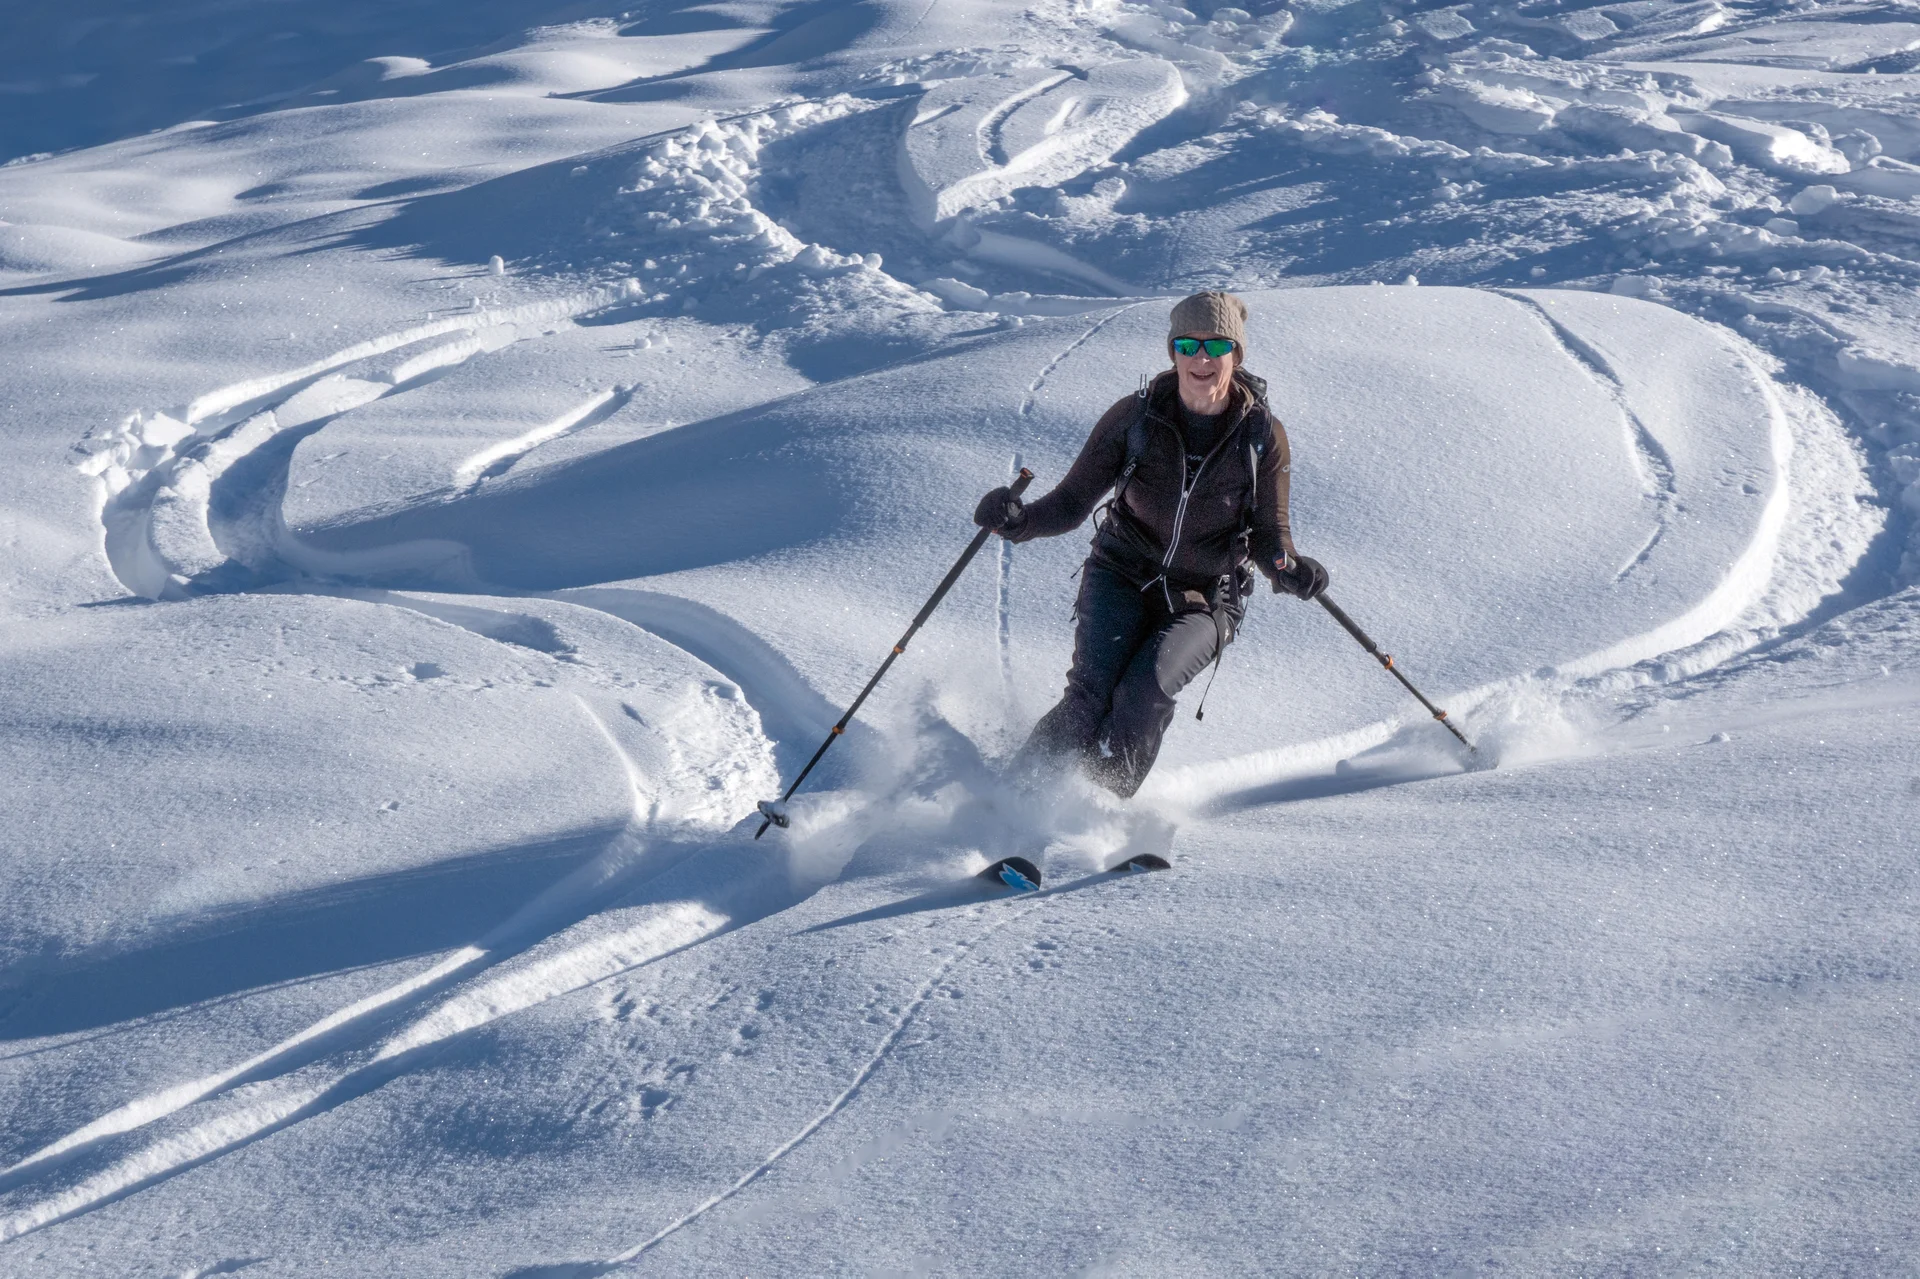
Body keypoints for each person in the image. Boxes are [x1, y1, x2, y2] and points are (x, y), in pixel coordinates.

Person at [973, 290, 1328, 798]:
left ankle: (1095, 811)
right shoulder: (1134, 418)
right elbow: (1072, 502)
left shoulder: (1261, 436)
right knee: (1089, 698)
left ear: (1237, 353)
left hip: (1205, 597)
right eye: (1187, 344)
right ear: (1172, 352)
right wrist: (1017, 520)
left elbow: (1273, 534)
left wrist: (1289, 566)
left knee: (1143, 694)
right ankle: (1011, 804)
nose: (1200, 358)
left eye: (1215, 345)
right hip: (1121, 570)